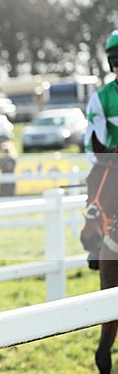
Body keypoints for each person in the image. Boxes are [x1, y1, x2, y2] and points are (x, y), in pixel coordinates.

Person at [82, 29, 118, 270]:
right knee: (99, 189)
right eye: (116, 61)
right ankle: (96, 245)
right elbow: (94, 141)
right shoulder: (101, 98)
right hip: (113, 163)